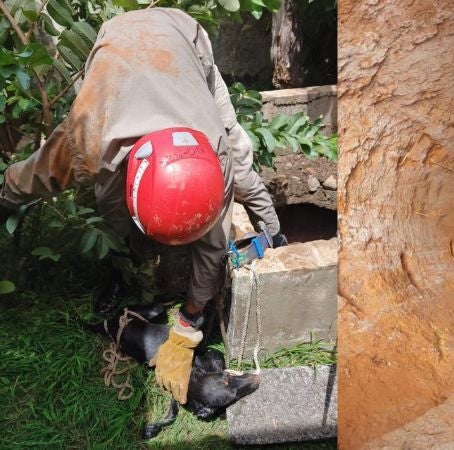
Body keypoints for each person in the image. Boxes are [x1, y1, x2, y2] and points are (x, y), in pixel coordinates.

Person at [0, 8, 285, 405]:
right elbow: (28, 176)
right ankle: (128, 257)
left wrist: (189, 323)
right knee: (106, 202)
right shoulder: (87, 138)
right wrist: (4, 200)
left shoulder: (216, 158)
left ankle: (275, 231)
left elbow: (213, 246)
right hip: (116, 50)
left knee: (242, 163)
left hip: (185, 47)